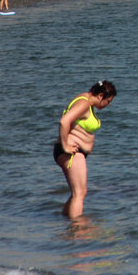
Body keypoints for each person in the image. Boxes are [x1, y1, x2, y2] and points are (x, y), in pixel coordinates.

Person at [54, 80, 117, 218]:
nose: (108, 105)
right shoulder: (84, 104)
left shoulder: (85, 101)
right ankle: (77, 229)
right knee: (79, 194)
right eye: (108, 101)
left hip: (74, 152)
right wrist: (66, 146)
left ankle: (66, 223)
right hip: (71, 153)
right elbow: (64, 121)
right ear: (100, 96)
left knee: (78, 193)